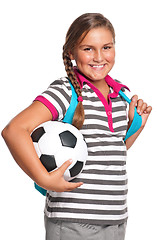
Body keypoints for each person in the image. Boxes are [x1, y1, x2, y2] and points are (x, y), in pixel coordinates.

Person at [2, 13, 152, 240]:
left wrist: (136, 126)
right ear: (72, 52)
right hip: (74, 221)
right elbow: (14, 130)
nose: (99, 57)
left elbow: (110, 152)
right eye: (88, 48)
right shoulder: (66, 90)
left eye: (107, 47)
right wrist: (44, 179)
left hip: (116, 219)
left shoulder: (120, 94)